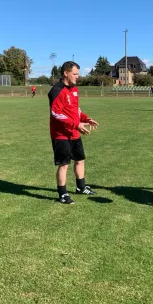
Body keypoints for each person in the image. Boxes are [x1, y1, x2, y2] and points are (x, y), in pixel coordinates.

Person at [48, 61, 99, 204]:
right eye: (75, 74)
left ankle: (81, 187)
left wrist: (86, 119)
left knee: (80, 159)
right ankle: (63, 194)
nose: (78, 77)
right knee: (64, 164)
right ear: (66, 73)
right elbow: (56, 114)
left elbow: (76, 110)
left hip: (74, 133)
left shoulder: (74, 89)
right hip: (61, 134)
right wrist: (76, 124)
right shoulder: (56, 90)